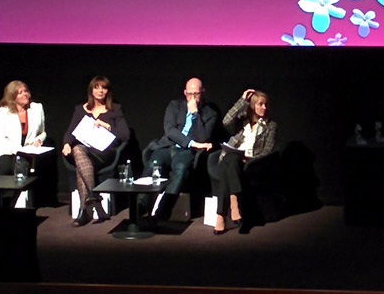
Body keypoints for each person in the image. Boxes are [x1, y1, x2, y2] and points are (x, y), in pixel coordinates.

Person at [143, 77, 220, 219]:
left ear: (203, 93)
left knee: (180, 169)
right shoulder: (175, 106)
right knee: (153, 165)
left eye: (196, 94)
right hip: (168, 146)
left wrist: (195, 115)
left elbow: (203, 137)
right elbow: (170, 130)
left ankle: (162, 214)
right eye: (189, 94)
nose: (193, 98)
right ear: (185, 93)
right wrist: (192, 143)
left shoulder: (210, 113)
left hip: (186, 152)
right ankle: (141, 208)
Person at [62, 75, 130, 225]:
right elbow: (70, 133)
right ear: (91, 91)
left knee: (79, 158)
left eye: (104, 88)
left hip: (104, 152)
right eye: (96, 87)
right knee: (78, 151)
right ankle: (92, 201)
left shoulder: (115, 109)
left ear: (108, 91)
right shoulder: (80, 110)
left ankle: (85, 210)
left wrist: (107, 127)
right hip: (84, 151)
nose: (100, 91)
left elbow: (125, 135)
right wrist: (66, 144)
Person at [208, 88, 277, 234]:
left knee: (228, 164)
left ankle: (220, 217)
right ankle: (234, 203)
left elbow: (267, 151)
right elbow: (226, 121)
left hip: (251, 163)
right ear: (252, 106)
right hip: (233, 158)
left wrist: (249, 159)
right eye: (260, 104)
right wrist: (243, 100)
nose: (264, 108)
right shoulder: (242, 122)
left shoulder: (270, 126)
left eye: (266, 105)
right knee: (231, 159)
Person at [0, 80, 46, 177]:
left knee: (26, 167)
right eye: (20, 93)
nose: (25, 94)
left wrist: (38, 140)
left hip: (26, 153)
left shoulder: (37, 109)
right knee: (6, 165)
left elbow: (42, 133)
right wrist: (17, 150)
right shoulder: (1, 112)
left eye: (26, 91)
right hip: (3, 151)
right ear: (12, 96)